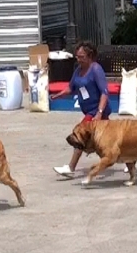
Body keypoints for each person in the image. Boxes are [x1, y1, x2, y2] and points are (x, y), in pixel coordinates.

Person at [51, 41, 113, 178]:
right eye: (77, 56)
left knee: (80, 135)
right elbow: (70, 87)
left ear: (90, 56)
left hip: (96, 112)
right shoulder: (78, 71)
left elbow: (104, 92)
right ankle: (128, 160)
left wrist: (99, 113)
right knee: (107, 141)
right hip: (89, 111)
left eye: (81, 57)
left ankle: (71, 167)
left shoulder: (96, 69)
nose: (78, 59)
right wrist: (58, 95)